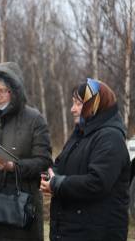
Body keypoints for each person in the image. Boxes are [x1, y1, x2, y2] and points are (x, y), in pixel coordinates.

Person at [40, 78, 130, 241]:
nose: (72, 109)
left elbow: (97, 183)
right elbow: (60, 165)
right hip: (70, 229)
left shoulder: (110, 138)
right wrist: (49, 176)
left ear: (94, 105)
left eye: (78, 103)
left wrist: (58, 184)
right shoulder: (80, 134)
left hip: (96, 233)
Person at [0, 62, 53, 241]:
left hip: (21, 208)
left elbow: (44, 161)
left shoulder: (34, 119)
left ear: (13, 91)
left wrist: (13, 166)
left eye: (2, 91)